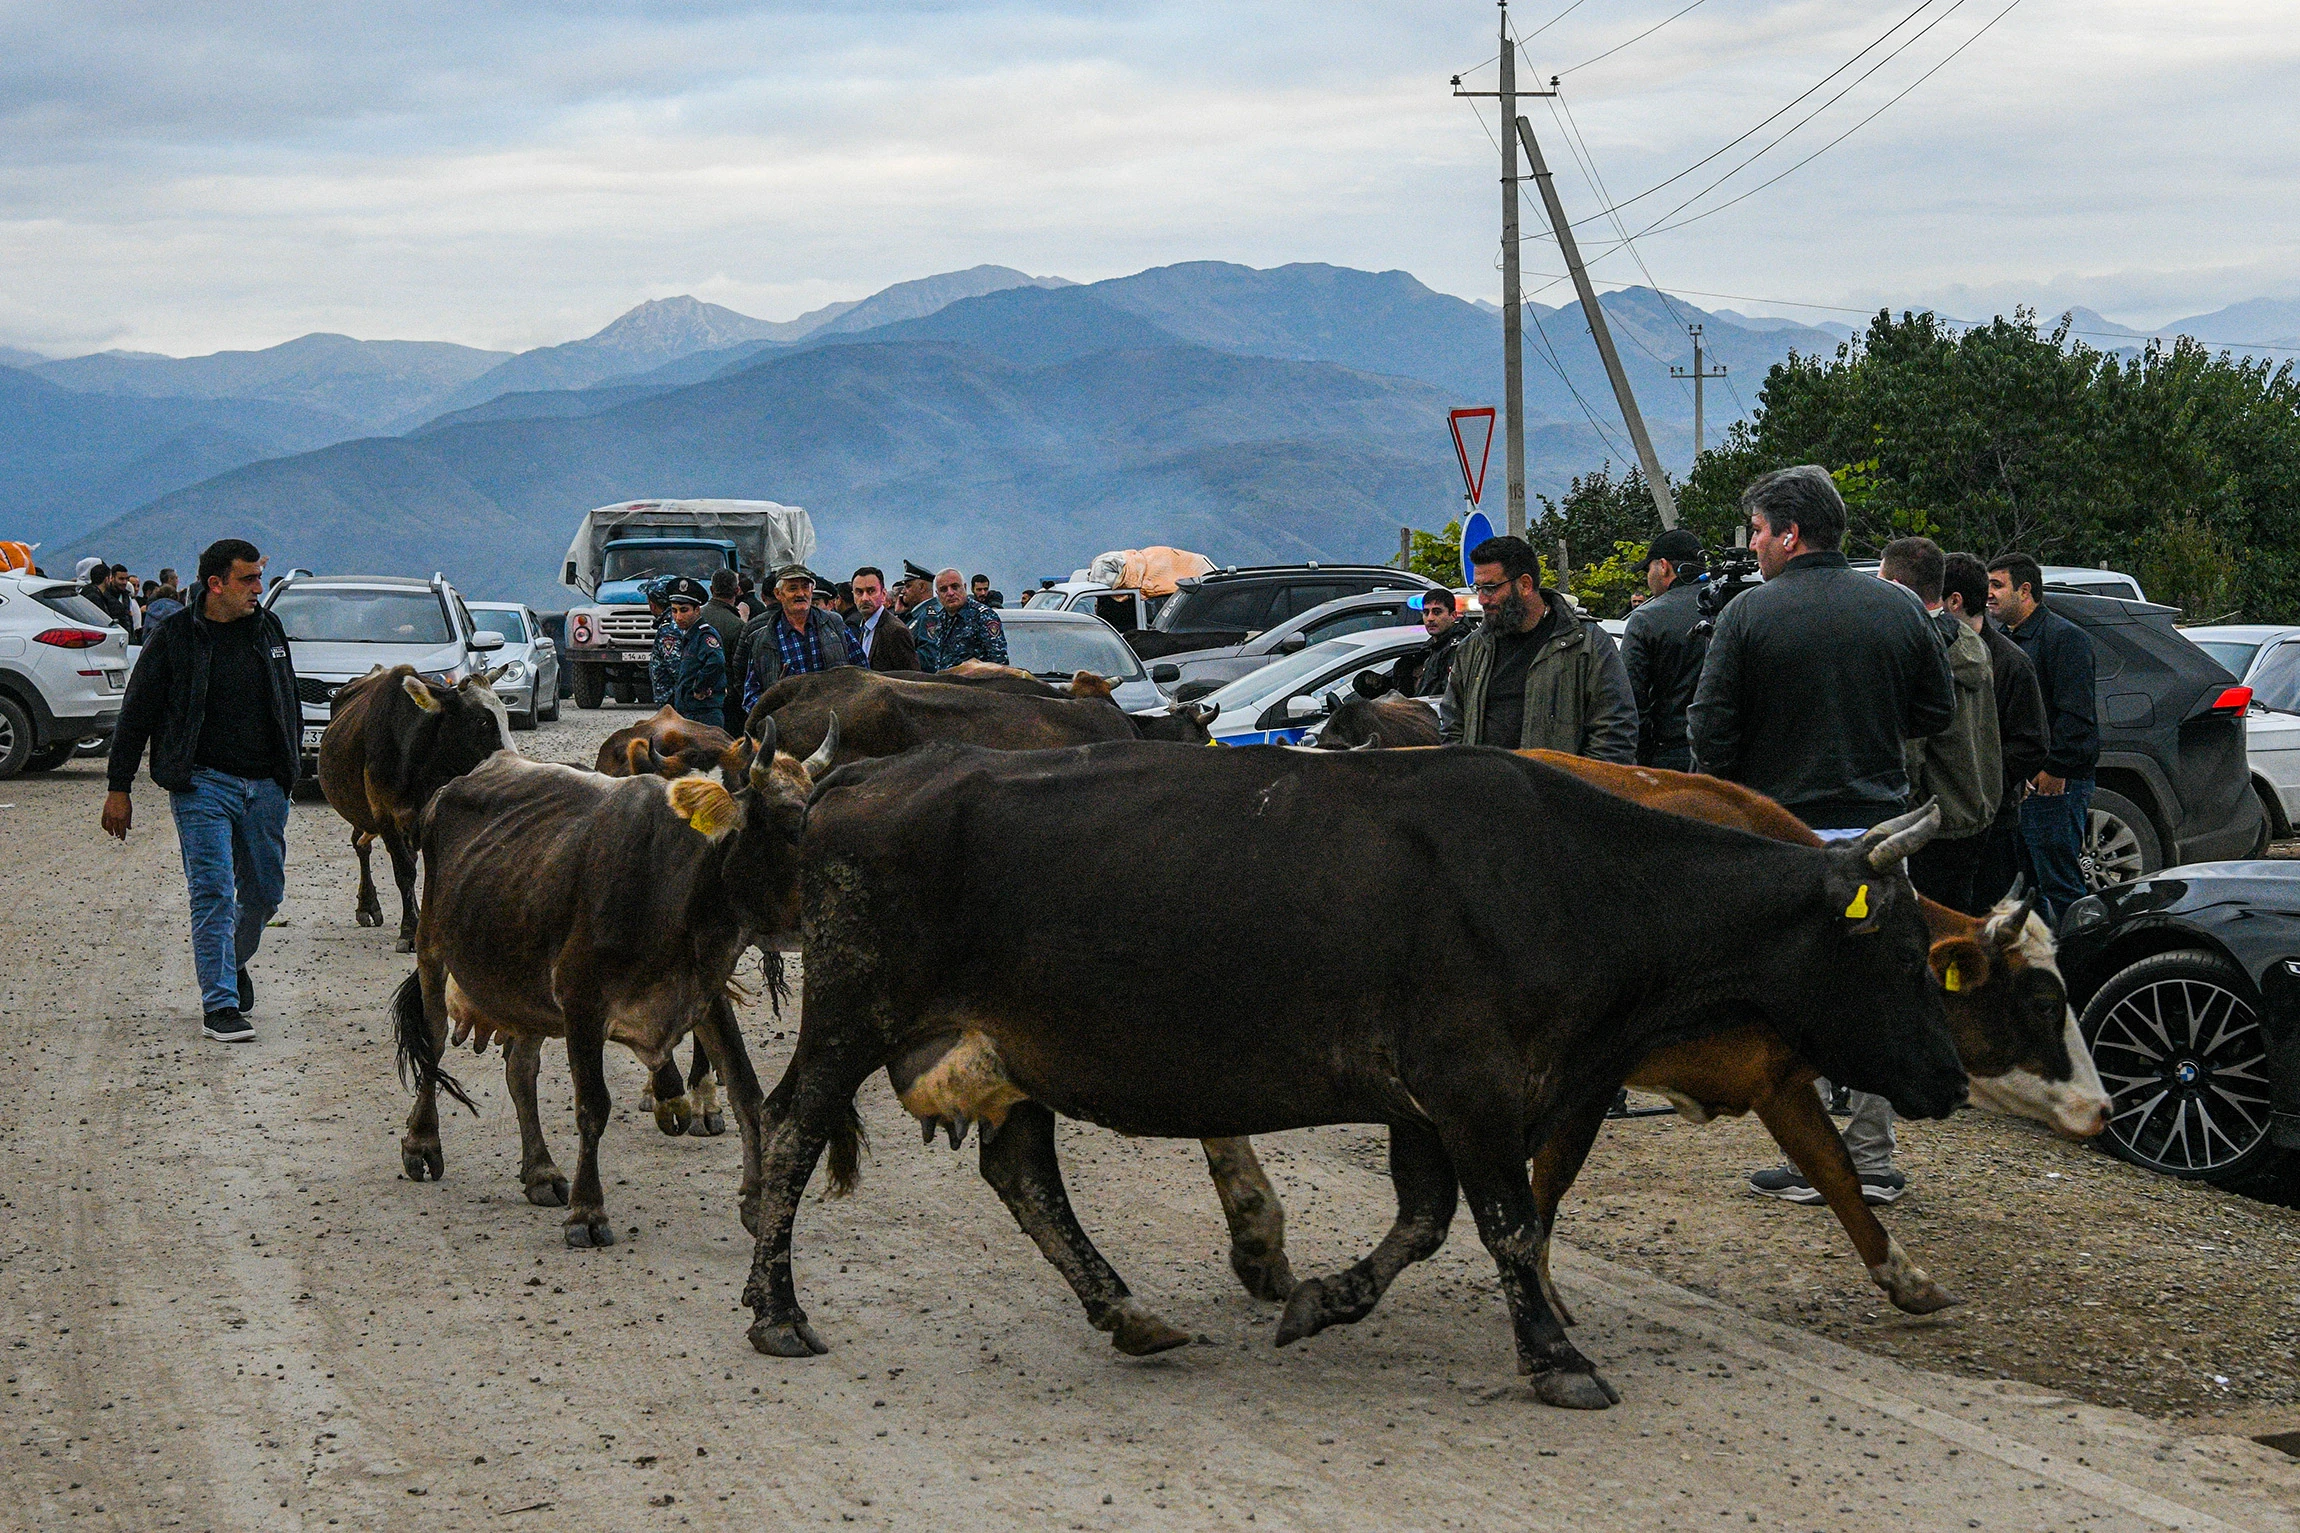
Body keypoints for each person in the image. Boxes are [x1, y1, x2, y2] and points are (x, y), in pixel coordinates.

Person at [1686, 467, 1954, 1208]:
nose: (1757, 546)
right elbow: (1936, 713)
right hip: (1879, 830)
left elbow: (1709, 730)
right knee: (1876, 985)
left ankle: (1818, 1159)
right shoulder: (1899, 608)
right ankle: (1870, 1154)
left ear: (1791, 534)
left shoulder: (1747, 616)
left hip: (1786, 837)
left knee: (1794, 996)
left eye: (1761, 532)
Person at [101, 537, 298, 1044]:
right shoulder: (174, 638)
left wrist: (288, 773)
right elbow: (137, 712)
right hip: (202, 784)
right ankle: (220, 1005)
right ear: (216, 584)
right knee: (211, 891)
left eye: (260, 577)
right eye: (248, 580)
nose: (259, 588)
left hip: (266, 787)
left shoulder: (269, 629)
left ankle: (230, 960)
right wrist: (118, 787)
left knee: (264, 894)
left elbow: (288, 702)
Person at [1878, 537, 2000, 915]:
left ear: (1897, 586)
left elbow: (1913, 745)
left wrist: (1899, 806)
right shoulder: (1967, 638)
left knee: (1933, 928)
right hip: (1976, 807)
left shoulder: (1919, 647)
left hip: (1931, 819)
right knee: (1961, 917)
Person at [1438, 535, 1636, 760]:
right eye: (1478, 588)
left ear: (1524, 584)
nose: (1482, 599)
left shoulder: (1586, 644)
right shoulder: (1472, 649)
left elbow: (1614, 733)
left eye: (1490, 588)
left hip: (1557, 792)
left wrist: (1578, 788)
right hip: (1486, 790)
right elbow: (1452, 726)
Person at [1987, 554, 2099, 925]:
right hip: (2020, 784)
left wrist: (2056, 768)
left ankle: (2078, 965)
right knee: (2023, 887)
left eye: (1997, 586)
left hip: (2054, 783)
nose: (1989, 595)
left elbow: (2076, 714)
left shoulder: (2064, 639)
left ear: (2026, 590)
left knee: (2060, 884)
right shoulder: (2005, 639)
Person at [1946, 552, 2048, 910]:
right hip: (1948, 824)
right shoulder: (1936, 652)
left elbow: (2032, 743)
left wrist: (1988, 779)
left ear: (1954, 602)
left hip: (1995, 824)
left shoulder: (2011, 662)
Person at [1619, 527, 1710, 770]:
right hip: (1733, 751)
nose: (1648, 578)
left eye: (1648, 569)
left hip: (1671, 753)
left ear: (1663, 566)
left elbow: (1630, 701)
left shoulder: (1645, 619)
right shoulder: (1736, 606)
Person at [740, 565, 856, 714]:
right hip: (791, 731)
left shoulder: (835, 625)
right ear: (778, 594)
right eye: (793, 588)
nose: (800, 594)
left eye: (805, 587)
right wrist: (776, 717)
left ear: (811, 590)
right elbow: (751, 696)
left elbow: (863, 673)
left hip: (837, 723)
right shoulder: (764, 640)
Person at [1357, 588, 1471, 700]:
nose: (1430, 618)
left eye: (1437, 612)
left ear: (1453, 615)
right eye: (1426, 612)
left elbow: (1452, 699)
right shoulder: (1435, 648)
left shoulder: (1456, 649)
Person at [915, 567, 1009, 672]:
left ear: (964, 587)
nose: (950, 593)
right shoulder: (939, 619)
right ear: (938, 594)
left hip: (975, 685)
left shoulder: (983, 616)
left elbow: (999, 663)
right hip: (945, 684)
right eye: (944, 589)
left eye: (955, 587)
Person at [660, 577, 727, 726]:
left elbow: (716, 661)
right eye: (674, 611)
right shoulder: (690, 636)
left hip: (704, 713)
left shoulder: (704, 635)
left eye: (684, 610)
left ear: (697, 610)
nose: (678, 617)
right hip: (688, 713)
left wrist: (700, 687)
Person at [846, 566, 919, 673]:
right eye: (859, 592)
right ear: (853, 596)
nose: (865, 598)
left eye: (871, 591)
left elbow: (912, 678)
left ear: (883, 594)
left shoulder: (895, 631)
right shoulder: (865, 627)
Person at [700, 572, 748, 733]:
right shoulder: (738, 625)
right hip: (727, 700)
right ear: (737, 591)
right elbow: (739, 669)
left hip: (695, 697)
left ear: (712, 589)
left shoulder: (696, 616)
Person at [645, 581, 680, 707]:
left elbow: (675, 667)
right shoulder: (673, 622)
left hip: (672, 700)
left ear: (653, 604)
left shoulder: (668, 629)